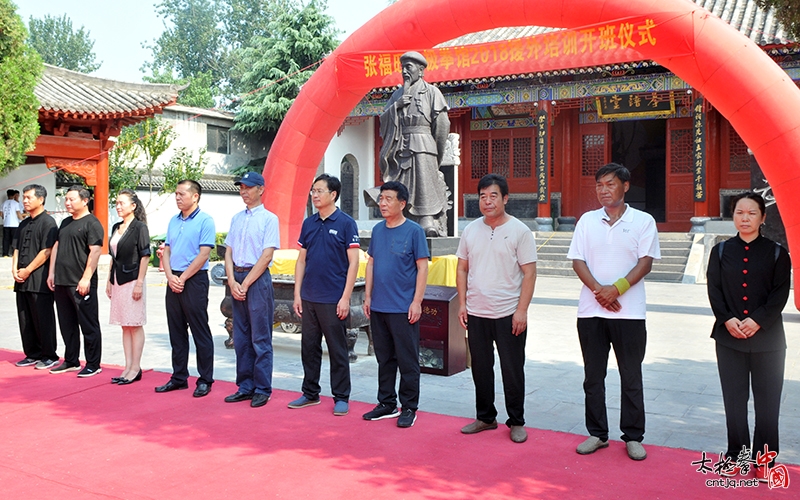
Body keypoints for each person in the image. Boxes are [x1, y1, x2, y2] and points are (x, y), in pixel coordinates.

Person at [566, 163, 660, 461]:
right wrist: (599, 290)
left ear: (625, 186)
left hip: (629, 313)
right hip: (591, 312)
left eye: (610, 184)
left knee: (630, 375)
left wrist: (616, 289)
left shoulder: (643, 221)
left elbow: (645, 263)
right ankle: (597, 434)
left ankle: (633, 436)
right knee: (593, 376)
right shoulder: (586, 221)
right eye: (599, 186)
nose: (604, 191)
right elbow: (577, 261)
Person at [706, 192, 791, 482]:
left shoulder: (778, 253)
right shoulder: (720, 251)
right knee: (734, 402)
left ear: (763, 217)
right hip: (729, 338)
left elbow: (779, 295)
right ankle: (737, 455)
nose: (744, 218)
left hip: (768, 341)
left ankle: (765, 459)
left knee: (768, 405)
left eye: (751, 213)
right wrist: (727, 319)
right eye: (739, 213)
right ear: (733, 217)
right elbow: (714, 290)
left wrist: (757, 321)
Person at [456, 174, 537, 444]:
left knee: (512, 369)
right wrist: (463, 304)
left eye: (493, 196)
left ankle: (516, 421)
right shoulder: (470, 230)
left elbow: (529, 274)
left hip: (508, 313)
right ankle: (486, 417)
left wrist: (521, 311)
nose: (487, 201)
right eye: (482, 196)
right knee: (480, 367)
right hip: (477, 312)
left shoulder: (520, 231)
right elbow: (462, 268)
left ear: (505, 199)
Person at [289, 174, 360, 416]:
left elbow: (354, 263)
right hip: (309, 297)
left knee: (337, 349)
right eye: (313, 191)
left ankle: (341, 396)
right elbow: (301, 261)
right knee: (308, 347)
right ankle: (310, 393)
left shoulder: (346, 223)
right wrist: (297, 294)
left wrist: (346, 297)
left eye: (319, 191)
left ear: (333, 195)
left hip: (333, 298)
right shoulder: (309, 223)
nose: (314, 195)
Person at [362, 181, 429, 428]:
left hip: (403, 308)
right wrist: (367, 297)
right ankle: (387, 402)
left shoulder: (414, 231)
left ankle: (409, 407)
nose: (382, 203)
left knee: (408, 360)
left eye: (388, 199)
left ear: (402, 203)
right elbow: (370, 263)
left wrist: (417, 302)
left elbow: (423, 267)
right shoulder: (378, 230)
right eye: (381, 198)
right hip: (379, 306)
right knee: (384, 358)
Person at [367, 51, 450, 237]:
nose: (404, 71)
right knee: (399, 184)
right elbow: (384, 120)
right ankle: (399, 219)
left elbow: (442, 124)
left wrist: (435, 150)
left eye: (409, 67)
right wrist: (397, 106)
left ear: (420, 70)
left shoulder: (432, 92)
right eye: (402, 67)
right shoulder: (397, 94)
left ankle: (427, 220)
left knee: (423, 183)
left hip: (423, 145)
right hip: (400, 147)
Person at [222, 172, 280, 408]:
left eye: (248, 187)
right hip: (236, 275)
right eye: (241, 188)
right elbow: (228, 251)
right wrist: (232, 281)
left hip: (257, 280)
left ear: (261, 190)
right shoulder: (237, 218)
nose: (244, 191)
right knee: (241, 336)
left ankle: (262, 388)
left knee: (260, 337)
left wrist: (245, 284)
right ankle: (245, 385)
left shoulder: (269, 219)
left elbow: (267, 255)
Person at [155, 180, 217, 398]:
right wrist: (171, 276)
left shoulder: (205, 221)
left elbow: (204, 254)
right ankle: (179, 377)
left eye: (182, 194)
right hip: (174, 279)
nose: (178, 197)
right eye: (176, 194)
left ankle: (205, 379)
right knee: (176, 330)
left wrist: (182, 278)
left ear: (195, 196)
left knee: (200, 330)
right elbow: (167, 249)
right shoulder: (173, 220)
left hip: (194, 280)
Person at [47, 185, 104, 377]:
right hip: (62, 281)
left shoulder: (92, 223)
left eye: (72, 199)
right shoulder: (64, 223)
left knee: (88, 324)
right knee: (67, 324)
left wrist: (86, 278)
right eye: (66, 199)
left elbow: (95, 252)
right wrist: (52, 273)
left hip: (80, 282)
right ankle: (71, 360)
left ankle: (93, 363)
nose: (67, 203)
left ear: (85, 200)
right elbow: (56, 248)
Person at [106, 189, 150, 385]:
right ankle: (127, 366)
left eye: (122, 202)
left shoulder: (140, 227)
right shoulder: (116, 227)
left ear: (133, 205)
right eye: (116, 202)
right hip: (117, 279)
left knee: (135, 323)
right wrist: (109, 280)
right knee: (125, 325)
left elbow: (145, 255)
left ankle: (136, 368)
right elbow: (112, 257)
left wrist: (139, 283)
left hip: (133, 279)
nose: (118, 206)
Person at [12, 184, 59, 369]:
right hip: (21, 280)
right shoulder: (23, 223)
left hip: (39, 280)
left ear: (41, 199)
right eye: (24, 197)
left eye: (29, 197)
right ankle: (32, 353)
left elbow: (46, 251)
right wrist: (14, 269)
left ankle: (49, 355)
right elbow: (15, 248)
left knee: (43, 318)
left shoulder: (48, 223)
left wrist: (28, 270)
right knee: (25, 318)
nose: (25, 200)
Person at [3, 189, 25, 257]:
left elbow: (1, 214)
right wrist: (23, 220)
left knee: (6, 240)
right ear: (14, 195)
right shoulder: (16, 203)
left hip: (6, 224)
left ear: (7, 195)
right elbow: (18, 214)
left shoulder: (4, 203)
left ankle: (5, 254)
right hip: (14, 224)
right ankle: (13, 254)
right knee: (14, 240)